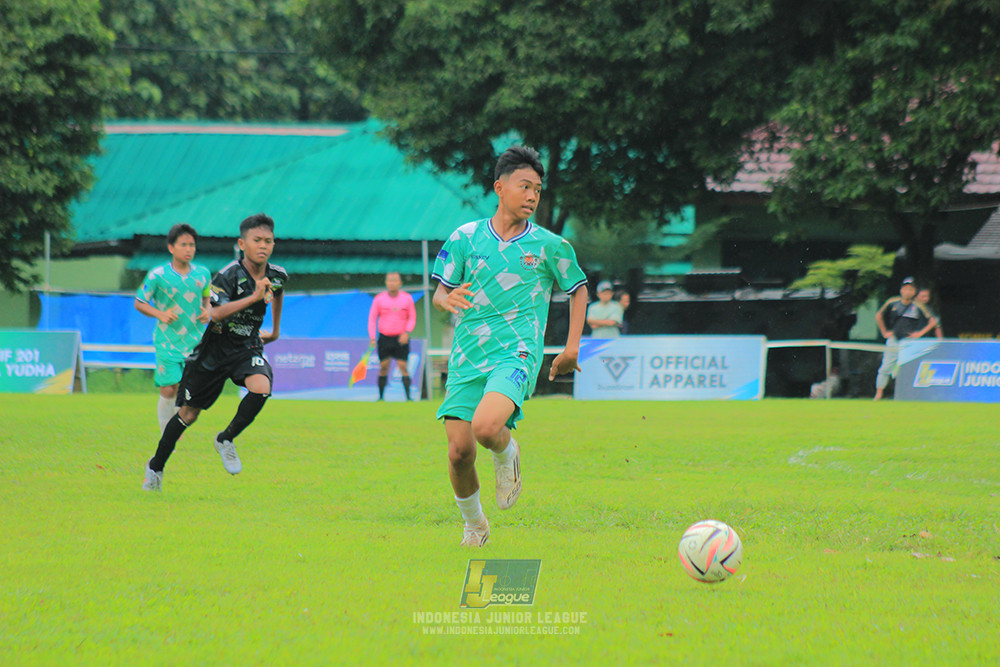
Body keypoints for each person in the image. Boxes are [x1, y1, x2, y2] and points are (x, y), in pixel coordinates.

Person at [431, 146, 588, 547]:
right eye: (525, 186)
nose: (533, 195)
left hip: (516, 352)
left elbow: (578, 289)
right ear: (500, 188)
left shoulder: (551, 245)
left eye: (537, 188)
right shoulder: (464, 238)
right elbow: (440, 292)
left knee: (486, 428)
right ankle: (475, 525)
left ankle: (507, 452)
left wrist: (571, 348)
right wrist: (444, 299)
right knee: (459, 453)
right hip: (467, 355)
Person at [143, 213, 288, 491]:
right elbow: (215, 313)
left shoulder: (277, 274)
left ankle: (226, 439)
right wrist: (254, 298)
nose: (263, 246)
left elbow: (279, 291)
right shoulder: (229, 275)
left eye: (268, 241)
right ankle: (156, 467)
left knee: (261, 388)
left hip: (247, 346)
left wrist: (277, 329)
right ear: (242, 244)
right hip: (215, 350)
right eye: (257, 240)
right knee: (188, 414)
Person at [134, 223, 212, 434]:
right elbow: (139, 302)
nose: (189, 249)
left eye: (192, 245)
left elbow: (208, 299)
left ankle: (175, 431)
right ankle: (166, 436)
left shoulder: (203, 273)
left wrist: (207, 311)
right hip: (167, 340)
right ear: (171, 248)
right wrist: (160, 314)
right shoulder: (157, 275)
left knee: (188, 392)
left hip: (195, 341)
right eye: (184, 244)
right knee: (169, 387)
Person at [873, 277, 937, 401]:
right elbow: (879, 315)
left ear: (914, 292)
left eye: (911, 289)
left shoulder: (918, 306)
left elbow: (932, 321)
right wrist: (884, 332)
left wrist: (919, 334)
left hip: (909, 342)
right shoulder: (892, 302)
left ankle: (906, 394)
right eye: (906, 288)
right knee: (886, 367)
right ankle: (879, 393)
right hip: (894, 340)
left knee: (907, 368)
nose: (908, 291)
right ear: (901, 290)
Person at [368, 271, 417, 400]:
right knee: (383, 367)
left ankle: (408, 397)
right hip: (384, 337)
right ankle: (381, 397)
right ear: (386, 283)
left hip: (401, 338)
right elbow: (372, 319)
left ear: (400, 283)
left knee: (403, 367)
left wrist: (407, 332)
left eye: (395, 280)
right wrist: (372, 337)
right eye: (389, 280)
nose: (392, 283)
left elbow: (412, 317)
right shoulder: (379, 299)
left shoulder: (407, 298)